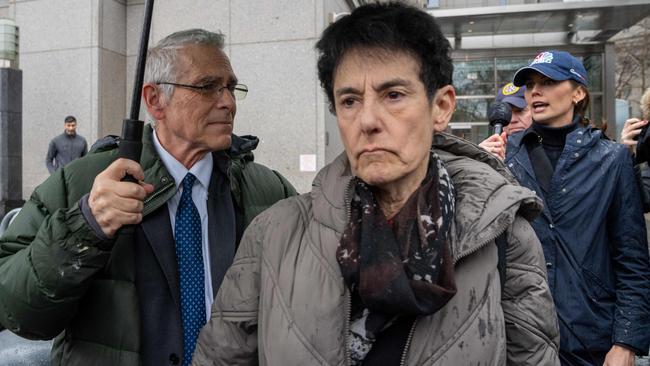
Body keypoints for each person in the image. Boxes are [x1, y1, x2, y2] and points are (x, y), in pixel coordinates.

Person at [193, 4, 559, 366]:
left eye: (393, 95)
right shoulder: (274, 234)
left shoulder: (501, 236)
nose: (367, 120)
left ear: (442, 107)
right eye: (349, 100)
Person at [0, 29, 296, 366]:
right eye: (208, 86)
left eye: (230, 87)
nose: (227, 101)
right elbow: (16, 311)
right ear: (155, 100)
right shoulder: (78, 183)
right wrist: (85, 226)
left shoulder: (270, 191)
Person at [505, 50, 650, 365]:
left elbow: (633, 261)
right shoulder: (506, 158)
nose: (535, 91)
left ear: (579, 92)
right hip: (520, 339)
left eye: (548, 81)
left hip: (592, 339)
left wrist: (625, 342)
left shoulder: (612, 160)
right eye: (530, 84)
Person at [479, 82, 532, 160]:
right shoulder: (486, 152)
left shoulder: (551, 148)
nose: (513, 120)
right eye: (507, 113)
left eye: (520, 111)